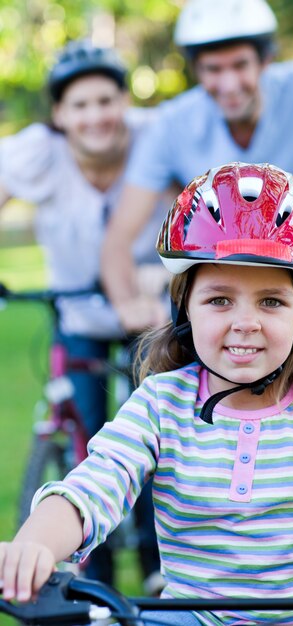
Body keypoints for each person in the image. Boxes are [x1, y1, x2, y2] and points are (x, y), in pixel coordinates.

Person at [1, 162, 293, 626]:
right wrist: (36, 544)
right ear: (184, 309)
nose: (245, 322)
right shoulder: (160, 405)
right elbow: (94, 485)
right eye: (219, 300)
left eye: (271, 301)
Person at [100, 0, 293, 341]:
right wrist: (128, 303)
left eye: (240, 65)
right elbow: (120, 233)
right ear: (196, 70)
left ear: (265, 60)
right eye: (213, 69)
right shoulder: (172, 123)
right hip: (219, 275)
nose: (228, 83)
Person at [0, 39, 166, 594]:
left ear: (125, 102)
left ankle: (155, 564)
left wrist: (164, 274)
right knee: (89, 438)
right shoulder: (37, 152)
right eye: (79, 105)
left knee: (157, 434)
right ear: (58, 115)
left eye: (105, 100)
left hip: (152, 312)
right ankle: (87, 575)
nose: (95, 116)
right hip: (78, 311)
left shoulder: (157, 138)